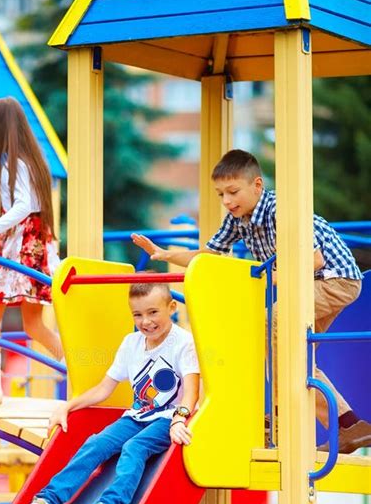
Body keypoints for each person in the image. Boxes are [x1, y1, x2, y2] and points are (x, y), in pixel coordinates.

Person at [132, 149, 371, 454]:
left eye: (233, 192)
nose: (227, 201)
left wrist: (268, 275)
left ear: (257, 185)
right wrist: (164, 254)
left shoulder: (278, 209)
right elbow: (210, 254)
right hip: (307, 283)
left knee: (274, 324)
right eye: (220, 195)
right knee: (295, 358)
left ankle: (279, 416)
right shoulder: (239, 219)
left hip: (335, 279)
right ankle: (348, 423)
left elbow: (313, 260)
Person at [10, 282, 200, 504]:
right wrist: (67, 406)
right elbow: (103, 389)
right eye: (138, 314)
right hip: (138, 416)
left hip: (169, 418)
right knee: (96, 443)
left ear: (172, 307)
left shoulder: (183, 343)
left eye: (153, 312)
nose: (146, 321)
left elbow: (191, 390)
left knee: (135, 447)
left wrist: (180, 419)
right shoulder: (131, 343)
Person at [0, 97, 63, 404]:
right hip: (34, 244)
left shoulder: (13, 165)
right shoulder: (34, 162)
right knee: (33, 324)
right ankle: (76, 365)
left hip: (18, 245)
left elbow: (22, 207)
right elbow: (37, 209)